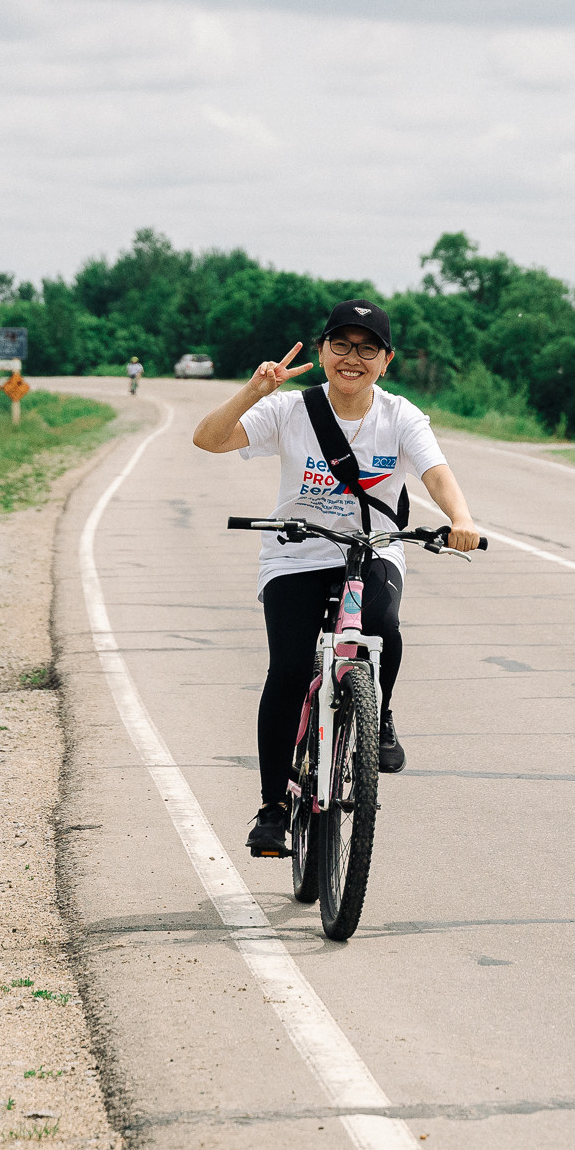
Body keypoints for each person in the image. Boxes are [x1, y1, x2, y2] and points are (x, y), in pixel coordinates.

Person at [191, 300, 482, 857]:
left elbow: (435, 473)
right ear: (323, 350)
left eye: (367, 348)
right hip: (296, 555)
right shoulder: (289, 411)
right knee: (291, 668)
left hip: (372, 548)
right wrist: (256, 390)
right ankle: (273, 807)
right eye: (341, 345)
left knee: (381, 624)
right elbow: (208, 438)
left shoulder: (401, 417)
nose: (353, 358)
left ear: (386, 360)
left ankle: (378, 714)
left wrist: (460, 518)